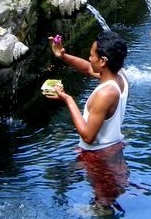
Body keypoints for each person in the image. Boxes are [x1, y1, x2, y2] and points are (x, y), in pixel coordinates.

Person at [47, 31, 129, 210]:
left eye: (92, 55)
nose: (89, 58)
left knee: (102, 204)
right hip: (112, 151)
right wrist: (62, 55)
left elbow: (87, 136)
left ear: (103, 61)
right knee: (106, 196)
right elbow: (87, 68)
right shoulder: (119, 76)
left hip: (100, 157)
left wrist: (68, 100)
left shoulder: (106, 94)